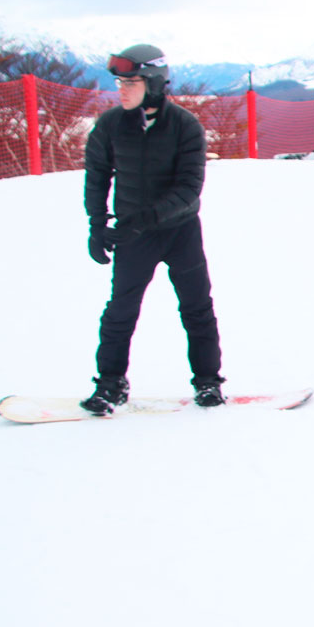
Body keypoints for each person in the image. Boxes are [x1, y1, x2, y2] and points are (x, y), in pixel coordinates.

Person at [81, 43, 225, 414]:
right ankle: (110, 384)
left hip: (180, 233)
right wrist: (97, 225)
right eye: (119, 83)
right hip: (134, 237)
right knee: (120, 311)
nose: (122, 89)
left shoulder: (185, 126)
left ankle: (208, 382)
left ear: (154, 83)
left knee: (197, 308)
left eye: (131, 82)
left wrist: (143, 218)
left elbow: (189, 189)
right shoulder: (111, 126)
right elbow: (97, 175)